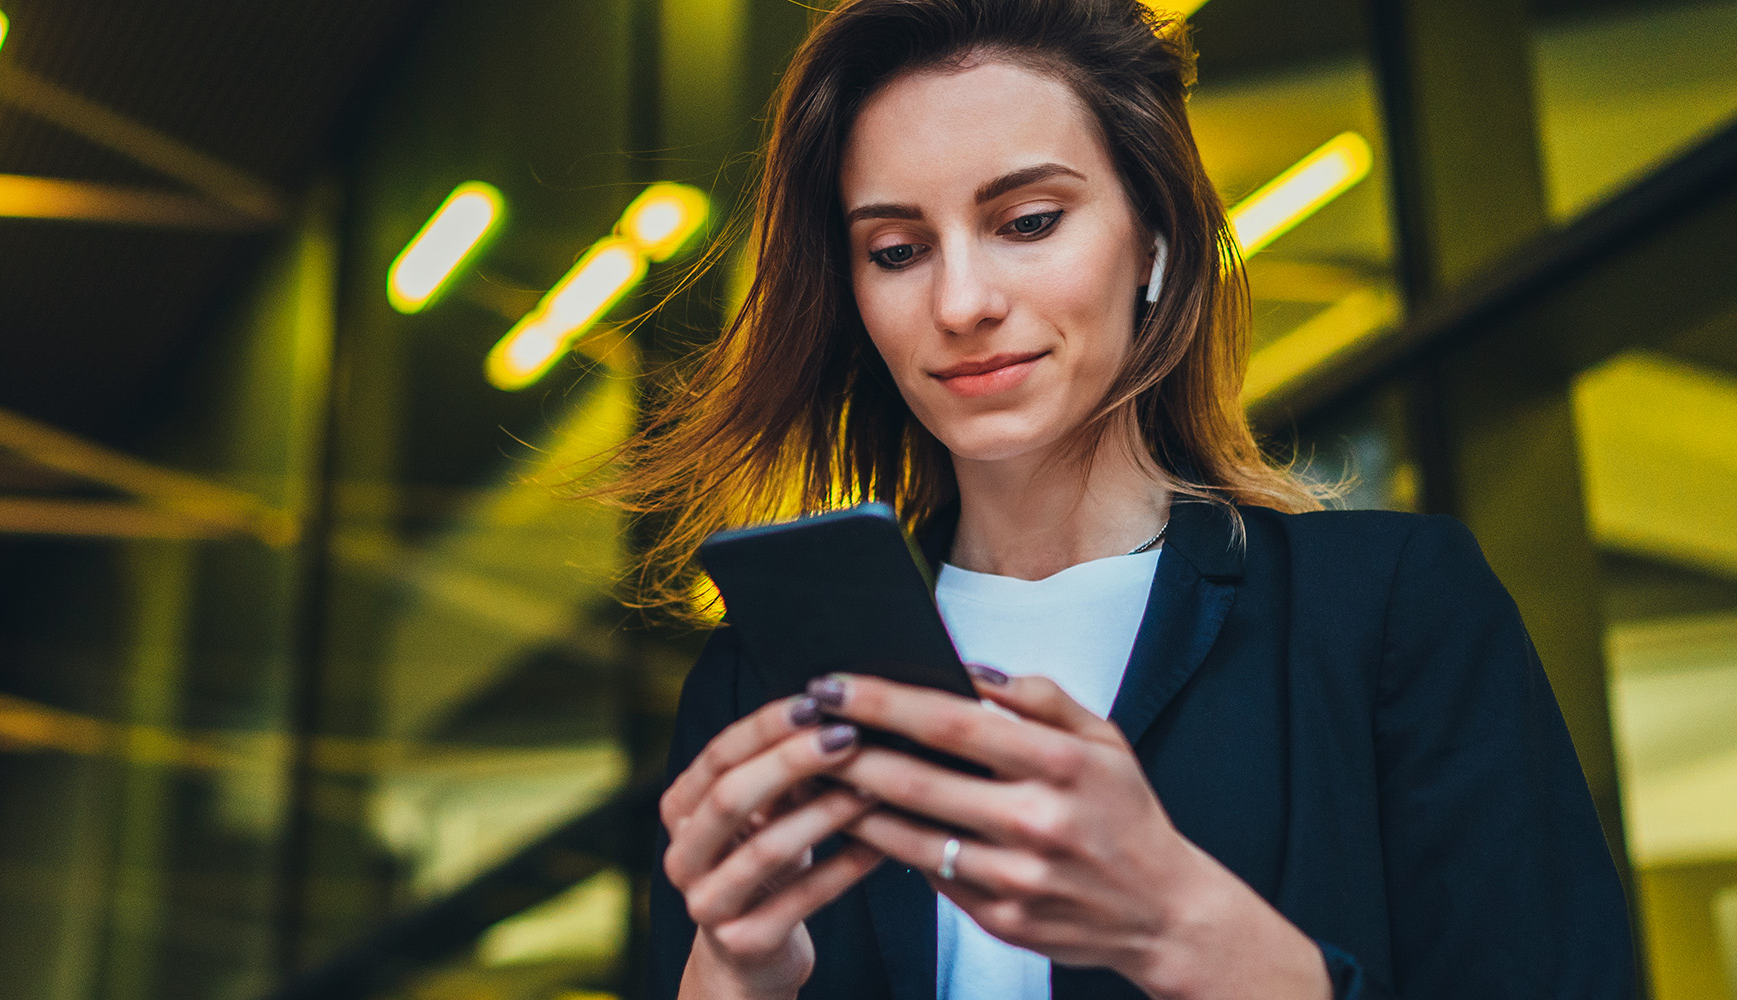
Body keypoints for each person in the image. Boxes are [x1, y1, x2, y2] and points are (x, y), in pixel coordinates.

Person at [602, 1, 1638, 997]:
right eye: (898, 251)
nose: (961, 302)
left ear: (1156, 239)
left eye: (1030, 220)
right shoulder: (764, 687)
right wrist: (734, 981)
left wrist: (1177, 924)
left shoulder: (1388, 615)